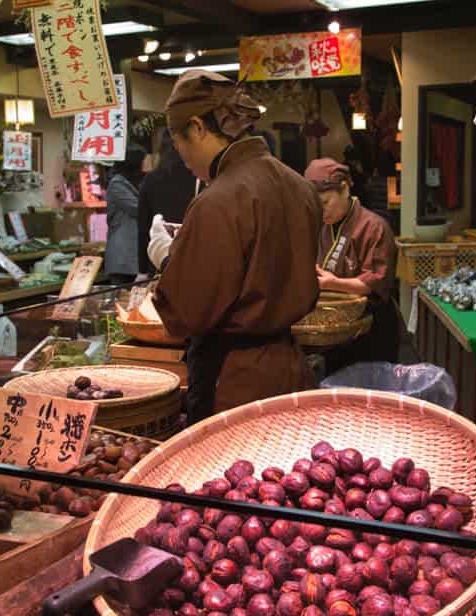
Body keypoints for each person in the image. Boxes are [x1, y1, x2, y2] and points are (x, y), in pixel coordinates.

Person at [147, 70, 321, 425]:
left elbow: (185, 314)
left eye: (178, 142)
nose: (180, 156)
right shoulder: (300, 186)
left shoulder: (218, 200)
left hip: (234, 383)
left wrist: (167, 257)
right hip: (291, 367)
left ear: (197, 127)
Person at [304, 158, 401, 375]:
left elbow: (375, 281)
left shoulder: (374, 227)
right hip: (335, 327)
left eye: (325, 203)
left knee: (372, 399)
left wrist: (333, 283)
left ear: (345, 189)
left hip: (372, 329)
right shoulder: (321, 227)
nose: (320, 212)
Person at [136, 131, 200, 278]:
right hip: (191, 258)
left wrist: (142, 270)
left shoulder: (151, 180)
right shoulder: (199, 177)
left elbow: (143, 228)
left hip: (159, 259)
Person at [104, 144, 147, 284]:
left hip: (132, 255)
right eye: (142, 161)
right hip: (122, 256)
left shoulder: (135, 182)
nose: (144, 165)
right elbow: (138, 209)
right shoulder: (117, 184)